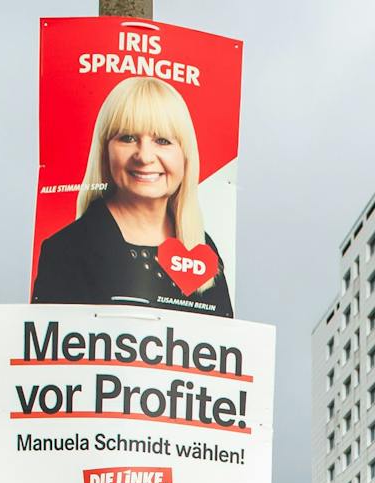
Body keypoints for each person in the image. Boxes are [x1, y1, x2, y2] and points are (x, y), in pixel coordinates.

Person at [32, 76, 234, 317]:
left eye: (162, 141)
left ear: (185, 156)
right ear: (105, 151)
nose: (145, 157)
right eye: (128, 138)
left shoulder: (203, 247)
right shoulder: (66, 250)